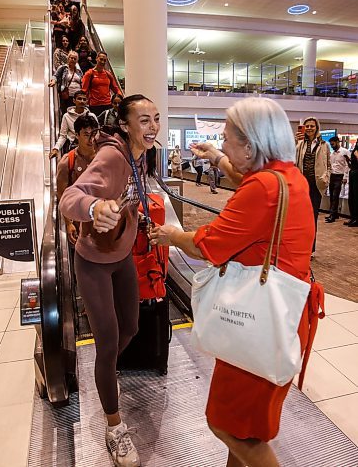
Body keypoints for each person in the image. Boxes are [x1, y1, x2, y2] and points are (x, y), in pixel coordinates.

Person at [150, 97, 314, 467]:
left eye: (226, 139)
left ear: (250, 146)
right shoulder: (288, 177)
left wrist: (172, 235)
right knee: (246, 427)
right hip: (281, 315)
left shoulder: (263, 191)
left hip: (258, 320)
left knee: (229, 427)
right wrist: (216, 158)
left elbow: (207, 246)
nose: (222, 144)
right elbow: (249, 177)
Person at [59, 94, 160, 467]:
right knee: (107, 341)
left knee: (130, 328)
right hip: (94, 262)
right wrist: (93, 207)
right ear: (124, 124)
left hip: (123, 258)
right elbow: (70, 196)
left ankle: (105, 371)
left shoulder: (141, 155)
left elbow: (134, 197)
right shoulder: (113, 156)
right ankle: (113, 426)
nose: (152, 127)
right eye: (144, 120)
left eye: (156, 119)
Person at [56, 114, 97, 243]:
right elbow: (61, 194)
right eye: (86, 134)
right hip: (80, 224)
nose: (91, 139)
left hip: (103, 222)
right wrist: (68, 223)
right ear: (76, 135)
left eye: (94, 134)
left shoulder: (105, 158)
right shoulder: (68, 162)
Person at [295, 116, 330, 257]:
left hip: (316, 185)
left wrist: (325, 178)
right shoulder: (300, 143)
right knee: (299, 217)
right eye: (307, 126)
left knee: (312, 217)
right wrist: (296, 142)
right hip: (302, 185)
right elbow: (292, 159)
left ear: (317, 128)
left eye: (312, 126)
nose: (309, 128)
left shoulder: (324, 145)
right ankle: (299, 246)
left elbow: (328, 165)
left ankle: (310, 249)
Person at [49, 90, 98, 158]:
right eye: (79, 99)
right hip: (74, 147)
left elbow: (97, 133)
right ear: (74, 100)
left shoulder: (91, 116)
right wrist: (56, 148)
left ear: (87, 101)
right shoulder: (66, 116)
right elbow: (63, 136)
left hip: (90, 147)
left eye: (84, 99)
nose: (82, 101)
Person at [82, 51, 122, 117]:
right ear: (96, 59)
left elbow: (116, 89)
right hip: (94, 106)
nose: (102, 62)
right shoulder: (89, 73)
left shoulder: (108, 74)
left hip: (108, 105)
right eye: (101, 59)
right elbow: (84, 90)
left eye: (104, 60)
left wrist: (122, 99)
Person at [49, 51, 83, 115]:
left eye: (75, 59)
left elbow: (82, 81)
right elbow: (55, 76)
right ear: (68, 58)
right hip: (67, 95)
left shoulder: (79, 71)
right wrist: (53, 81)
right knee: (67, 112)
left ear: (77, 61)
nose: (73, 60)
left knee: (77, 113)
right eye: (71, 58)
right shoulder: (63, 68)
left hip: (77, 96)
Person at [325, 136, 350, 223]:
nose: (332, 146)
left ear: (337, 142)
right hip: (332, 176)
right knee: (331, 195)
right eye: (331, 145)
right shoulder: (332, 154)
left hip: (340, 176)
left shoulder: (345, 152)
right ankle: (334, 214)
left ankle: (333, 215)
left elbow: (348, 165)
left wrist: (345, 177)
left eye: (333, 144)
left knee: (335, 196)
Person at [345, 139, 358, 227]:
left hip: (357, 174)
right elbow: (352, 164)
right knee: (352, 197)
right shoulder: (355, 149)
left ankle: (356, 219)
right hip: (353, 172)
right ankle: (353, 217)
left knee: (356, 197)